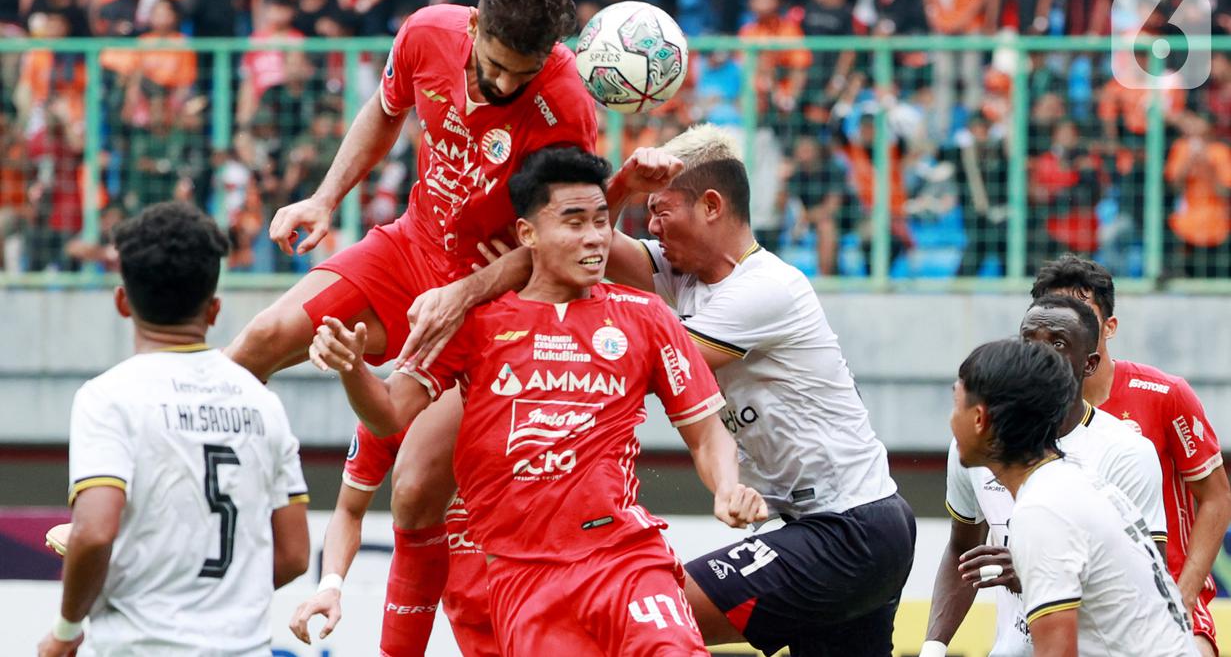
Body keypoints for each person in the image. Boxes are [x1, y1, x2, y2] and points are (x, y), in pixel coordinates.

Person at [225, 0, 678, 654]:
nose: (503, 86)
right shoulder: (424, 34)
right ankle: (149, 491)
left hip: (485, 296)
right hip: (405, 249)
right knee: (262, 336)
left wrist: (462, 294)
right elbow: (382, 114)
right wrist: (323, 199)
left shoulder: (566, 107)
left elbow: (556, 241)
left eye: (520, 74)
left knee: (411, 492)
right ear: (472, 26)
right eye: (493, 66)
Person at [309, 147, 766, 655]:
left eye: (600, 221)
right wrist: (353, 369)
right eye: (573, 222)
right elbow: (389, 413)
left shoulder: (646, 316)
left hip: (625, 558)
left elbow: (705, 433)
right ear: (527, 236)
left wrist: (726, 487)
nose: (594, 237)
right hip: (524, 579)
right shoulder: (475, 326)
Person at [600, 124, 916, 656]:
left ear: (712, 206)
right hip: (851, 526)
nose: (650, 225)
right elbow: (596, 246)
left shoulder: (765, 288)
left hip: (847, 530)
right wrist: (621, 187)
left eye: (660, 210)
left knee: (654, 616)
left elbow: (660, 366)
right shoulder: (686, 274)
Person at [37, 202, 310, 657]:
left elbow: (96, 532)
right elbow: (294, 555)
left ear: (123, 302)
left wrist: (65, 633)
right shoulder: (262, 403)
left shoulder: (107, 398)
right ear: (215, 309)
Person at [922, 294, 1166, 657]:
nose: (1039, 353)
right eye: (1028, 340)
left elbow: (1147, 589)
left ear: (1090, 363)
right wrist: (933, 648)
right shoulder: (975, 452)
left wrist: (1039, 575)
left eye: (1058, 343)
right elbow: (963, 549)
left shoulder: (1120, 456)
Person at [1032, 254, 1231, 656]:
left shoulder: (1164, 395)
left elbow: (1217, 497)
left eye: (1082, 314)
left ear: (1109, 327)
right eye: (1055, 316)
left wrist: (1184, 593)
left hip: (1165, 601)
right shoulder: (1025, 410)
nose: (1067, 328)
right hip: (1071, 606)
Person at [287, 420, 497, 656]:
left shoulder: (513, 404)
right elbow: (348, 511)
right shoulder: (392, 410)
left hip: (528, 599)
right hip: (469, 616)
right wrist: (330, 586)